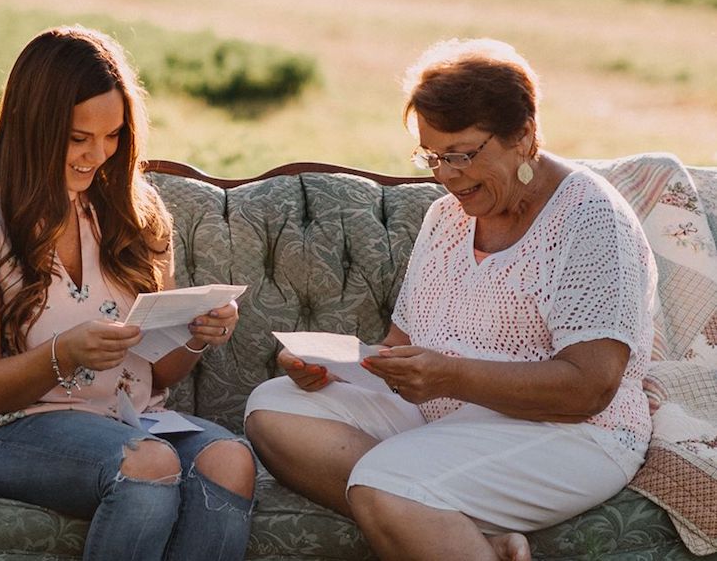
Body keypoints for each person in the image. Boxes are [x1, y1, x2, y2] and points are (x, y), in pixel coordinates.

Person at [244, 38, 656, 561]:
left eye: (461, 154)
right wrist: (329, 366)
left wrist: (451, 376)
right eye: (433, 156)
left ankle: (407, 501)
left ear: (524, 134)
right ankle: (457, 533)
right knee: (272, 407)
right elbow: (401, 346)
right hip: (446, 417)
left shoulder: (590, 217)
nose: (445, 174)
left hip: (574, 433)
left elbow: (590, 388)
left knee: (385, 484)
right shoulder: (447, 218)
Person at [0, 26, 255, 561]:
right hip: (14, 428)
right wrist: (64, 354)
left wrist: (197, 336)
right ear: (33, 126)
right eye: (78, 138)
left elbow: (157, 372)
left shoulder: (135, 212)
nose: (96, 155)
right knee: (148, 464)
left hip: (129, 421)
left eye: (113, 136)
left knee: (230, 461)